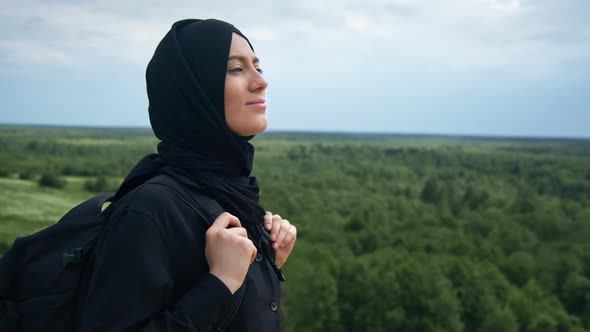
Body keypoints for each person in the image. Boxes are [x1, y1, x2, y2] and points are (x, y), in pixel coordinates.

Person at [75, 19, 297, 331]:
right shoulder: (149, 210)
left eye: (257, 66)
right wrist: (219, 284)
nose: (261, 81)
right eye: (237, 68)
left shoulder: (232, 196)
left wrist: (265, 266)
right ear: (194, 90)